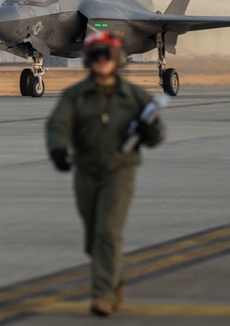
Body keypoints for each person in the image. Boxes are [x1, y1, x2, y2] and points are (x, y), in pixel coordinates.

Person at [45, 31, 165, 316]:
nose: (101, 61)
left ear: (117, 59)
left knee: (107, 232)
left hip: (119, 173)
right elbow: (57, 125)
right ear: (88, 61)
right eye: (95, 56)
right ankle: (114, 279)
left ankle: (102, 294)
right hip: (85, 171)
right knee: (92, 238)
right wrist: (58, 150)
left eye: (106, 56)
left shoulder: (135, 97)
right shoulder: (74, 96)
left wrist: (151, 132)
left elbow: (157, 133)